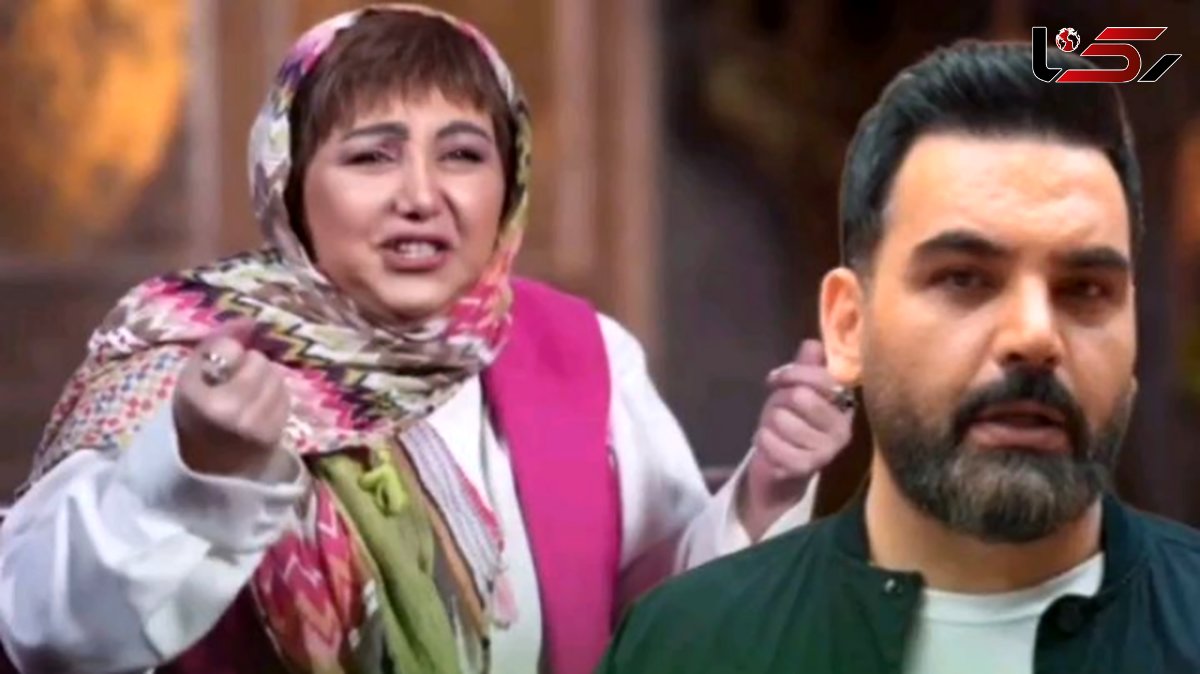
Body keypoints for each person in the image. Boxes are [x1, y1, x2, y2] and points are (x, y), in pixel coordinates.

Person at [0, 5, 854, 674]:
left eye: (463, 155)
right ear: (290, 185)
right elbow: (46, 634)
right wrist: (196, 466)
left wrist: (764, 495)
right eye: (372, 157)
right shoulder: (187, 356)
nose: (421, 195)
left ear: (509, 183)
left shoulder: (582, 353)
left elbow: (657, 629)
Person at [597, 40, 1200, 674]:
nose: (1034, 334)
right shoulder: (691, 647)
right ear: (847, 327)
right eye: (965, 279)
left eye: (1085, 290)